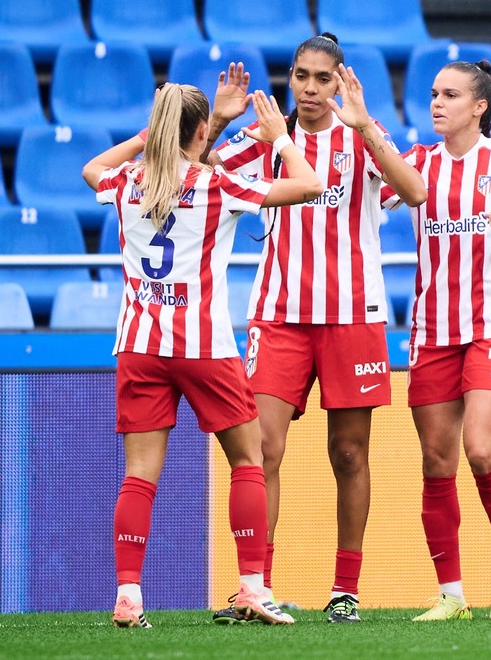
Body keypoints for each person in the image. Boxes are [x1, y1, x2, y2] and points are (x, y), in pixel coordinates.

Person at [204, 34, 427, 623]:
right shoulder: (267, 136)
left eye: (321, 78)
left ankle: (345, 589)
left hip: (354, 317)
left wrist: (368, 128)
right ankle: (256, 586)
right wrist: (221, 119)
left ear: (340, 81)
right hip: (278, 316)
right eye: (300, 75)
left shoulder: (362, 133)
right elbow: (191, 177)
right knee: (261, 449)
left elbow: (416, 192)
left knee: (350, 454)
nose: (307, 87)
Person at [82, 83, 323, 628]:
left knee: (139, 475)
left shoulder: (125, 182)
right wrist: (282, 138)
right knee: (248, 460)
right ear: (199, 133)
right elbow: (309, 184)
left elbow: (92, 167)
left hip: (139, 344)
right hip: (203, 346)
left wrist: (149, 137)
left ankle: (128, 596)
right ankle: (253, 589)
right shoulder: (217, 184)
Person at [380, 60, 491, 621]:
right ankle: (451, 595)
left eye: (450, 94)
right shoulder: (417, 164)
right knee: (437, 462)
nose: (436, 103)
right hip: (433, 332)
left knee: (481, 450)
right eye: (433, 94)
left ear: (479, 106)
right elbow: (363, 200)